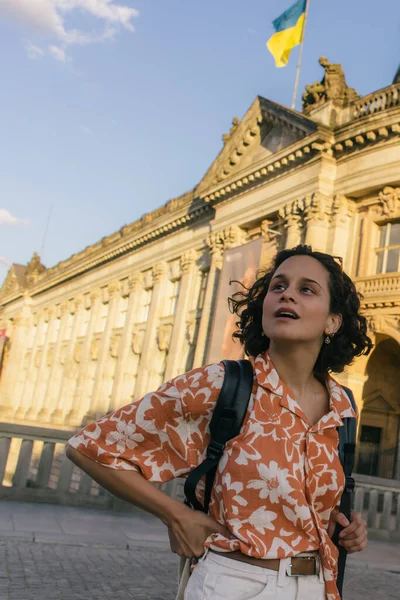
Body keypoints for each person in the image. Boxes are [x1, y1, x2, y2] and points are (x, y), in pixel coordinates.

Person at [66, 245, 372, 600]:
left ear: (333, 321)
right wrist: (176, 515)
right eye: (278, 286)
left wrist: (346, 527)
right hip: (234, 584)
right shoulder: (221, 384)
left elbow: (311, 508)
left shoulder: (343, 406)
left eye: (307, 289)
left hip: (319, 586)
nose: (287, 293)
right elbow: (90, 447)